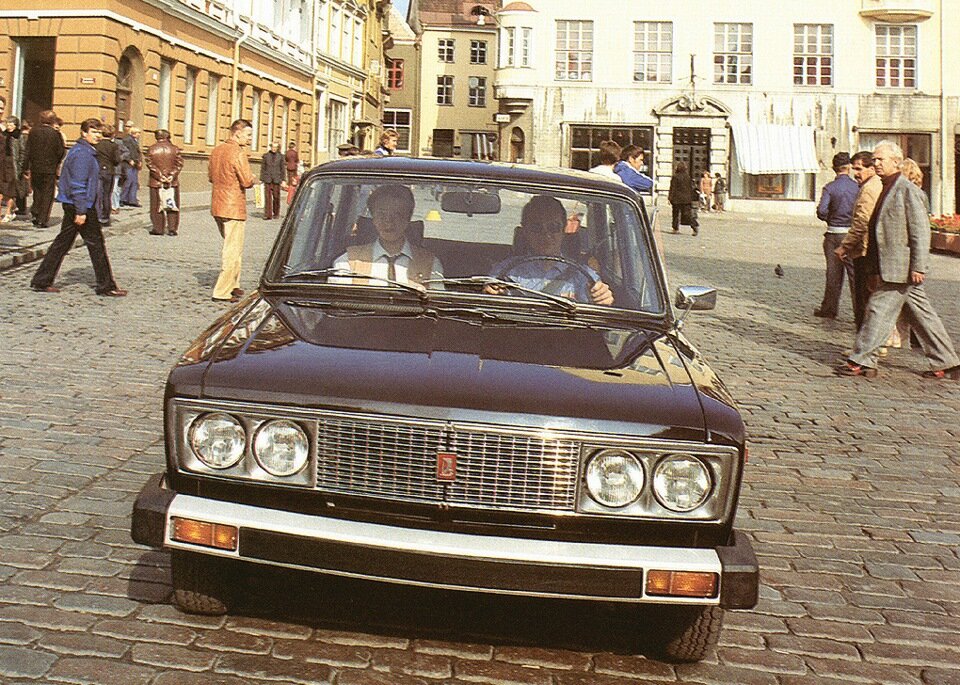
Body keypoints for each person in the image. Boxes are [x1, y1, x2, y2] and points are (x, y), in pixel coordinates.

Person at [837, 141, 959, 380]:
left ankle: (862, 360)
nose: (876, 163)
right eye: (874, 159)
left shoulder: (907, 190)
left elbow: (920, 231)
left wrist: (919, 266)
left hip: (900, 269)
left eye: (880, 159)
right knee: (922, 316)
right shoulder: (885, 186)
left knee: (877, 310)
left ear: (896, 161)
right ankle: (947, 361)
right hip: (892, 266)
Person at [29, 118, 126, 297]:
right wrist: (81, 211)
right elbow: (78, 185)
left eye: (99, 132)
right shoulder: (83, 154)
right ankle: (106, 286)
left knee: (62, 243)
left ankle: (41, 280)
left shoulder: (85, 150)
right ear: (83, 133)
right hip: (81, 205)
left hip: (75, 204)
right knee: (96, 245)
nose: (97, 136)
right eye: (94, 132)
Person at [487, 195, 614, 306]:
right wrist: (491, 294)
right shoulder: (505, 272)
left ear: (563, 230)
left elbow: (599, 304)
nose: (546, 235)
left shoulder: (583, 275)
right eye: (536, 227)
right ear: (525, 231)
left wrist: (602, 298)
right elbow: (490, 301)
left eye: (553, 227)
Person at [333, 184, 442, 287]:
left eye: (397, 214)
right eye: (381, 214)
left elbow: (437, 299)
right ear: (373, 219)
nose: (389, 222)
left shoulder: (430, 263)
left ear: (408, 218)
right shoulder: (348, 262)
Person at [209, 118, 256, 303]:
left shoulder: (216, 150)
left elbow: (211, 177)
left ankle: (233, 284)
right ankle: (221, 291)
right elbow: (246, 181)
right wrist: (253, 178)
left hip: (218, 204)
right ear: (237, 133)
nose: (250, 138)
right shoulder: (238, 153)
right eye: (248, 134)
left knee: (233, 246)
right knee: (232, 250)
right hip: (233, 206)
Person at [836, 151, 882, 332]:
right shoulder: (874, 185)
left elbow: (862, 222)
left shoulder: (869, 189)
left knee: (863, 297)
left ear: (871, 169)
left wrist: (844, 246)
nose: (855, 173)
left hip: (864, 250)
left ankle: (865, 338)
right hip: (871, 249)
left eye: (859, 169)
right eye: (854, 169)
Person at [814, 152, 858, 319]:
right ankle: (859, 311)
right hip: (852, 234)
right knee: (854, 276)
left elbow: (821, 211)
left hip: (833, 234)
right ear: (849, 168)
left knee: (833, 274)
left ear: (834, 168)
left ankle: (829, 309)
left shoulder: (830, 188)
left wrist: (830, 218)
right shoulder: (857, 187)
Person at [24, 109, 64, 228]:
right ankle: (42, 219)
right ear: (52, 120)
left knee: (37, 190)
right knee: (47, 193)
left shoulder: (33, 132)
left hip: (36, 167)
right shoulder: (55, 134)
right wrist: (56, 162)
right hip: (50, 168)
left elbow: (28, 150)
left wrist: (26, 167)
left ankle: (36, 212)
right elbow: (61, 151)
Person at [145, 129, 184, 236]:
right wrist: (171, 175)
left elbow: (150, 164)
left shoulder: (151, 149)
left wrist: (160, 176)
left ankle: (158, 228)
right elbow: (179, 164)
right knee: (172, 204)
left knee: (156, 205)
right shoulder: (175, 149)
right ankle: (172, 229)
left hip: (156, 182)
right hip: (172, 182)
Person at [95, 123, 122, 227]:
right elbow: (117, 160)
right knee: (107, 195)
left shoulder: (97, 144)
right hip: (109, 171)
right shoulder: (114, 146)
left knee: (98, 195)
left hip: (98, 170)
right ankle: (105, 217)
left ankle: (97, 216)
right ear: (112, 134)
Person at [0, 116, 23, 222]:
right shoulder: (3, 135)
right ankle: (11, 208)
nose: (9, 126)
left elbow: (22, 152)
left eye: (11, 124)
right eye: (7, 123)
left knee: (10, 190)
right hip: (3, 164)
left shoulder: (18, 136)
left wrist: (20, 166)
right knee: (2, 190)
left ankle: (9, 212)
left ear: (15, 125)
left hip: (13, 165)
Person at [668, 162, 698, 235]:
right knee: (687, 214)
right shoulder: (688, 177)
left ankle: (675, 228)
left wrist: (670, 197)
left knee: (675, 214)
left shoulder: (675, 177)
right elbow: (691, 188)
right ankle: (694, 226)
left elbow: (673, 188)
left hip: (677, 198)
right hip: (686, 199)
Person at [259, 141, 284, 220]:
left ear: (277, 148)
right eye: (273, 147)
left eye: (275, 147)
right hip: (268, 178)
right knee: (267, 197)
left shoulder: (280, 157)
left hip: (277, 179)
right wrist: (261, 178)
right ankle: (268, 214)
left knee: (276, 197)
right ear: (271, 147)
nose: (274, 149)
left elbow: (282, 169)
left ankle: (276, 213)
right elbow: (263, 168)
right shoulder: (266, 156)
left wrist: (283, 180)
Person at [118, 124, 142, 206]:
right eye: (138, 133)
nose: (139, 134)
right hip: (128, 164)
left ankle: (132, 199)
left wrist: (139, 161)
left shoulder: (135, 140)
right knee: (128, 181)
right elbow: (125, 151)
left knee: (134, 182)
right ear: (133, 133)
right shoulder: (127, 140)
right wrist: (129, 160)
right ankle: (122, 199)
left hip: (135, 163)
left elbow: (137, 152)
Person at [15, 120, 31, 218]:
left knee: (19, 186)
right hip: (25, 164)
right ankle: (22, 207)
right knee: (22, 186)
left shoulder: (21, 137)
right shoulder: (27, 137)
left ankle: (20, 207)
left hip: (19, 164)